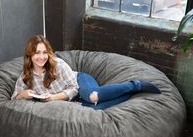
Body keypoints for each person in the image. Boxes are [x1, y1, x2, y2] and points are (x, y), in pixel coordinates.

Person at [11, 34, 161, 110]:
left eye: (44, 52)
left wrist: (53, 98)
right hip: (73, 101)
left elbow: (74, 87)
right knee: (95, 108)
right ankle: (129, 95)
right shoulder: (25, 76)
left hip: (80, 81)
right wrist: (24, 94)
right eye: (37, 53)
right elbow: (13, 100)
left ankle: (134, 85)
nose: (41, 57)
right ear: (30, 54)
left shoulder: (58, 65)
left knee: (92, 96)